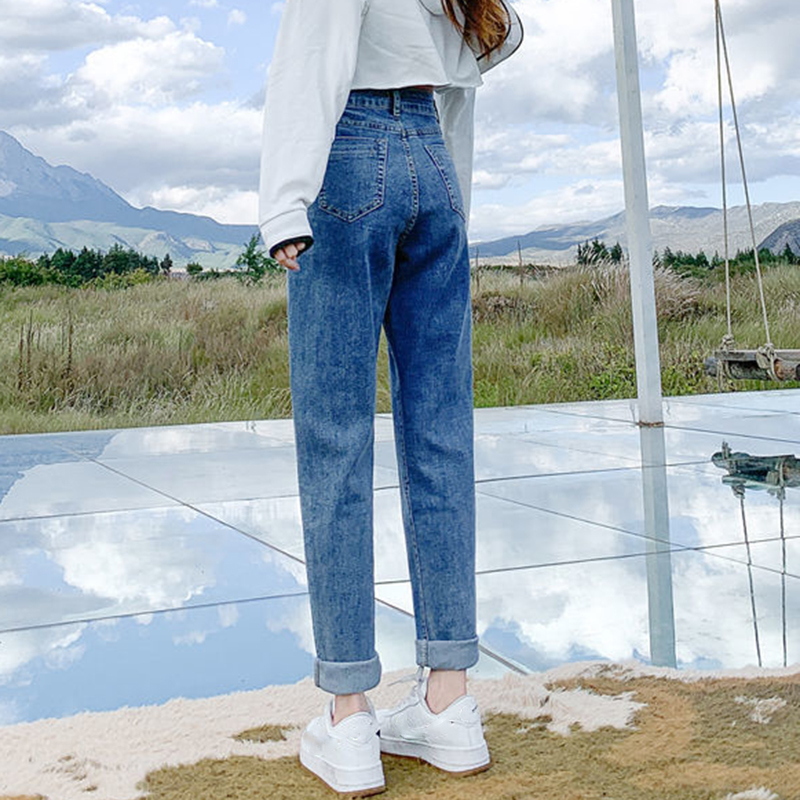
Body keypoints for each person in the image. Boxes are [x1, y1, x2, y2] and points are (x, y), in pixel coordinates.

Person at [259, 0, 523, 794]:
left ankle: (349, 715)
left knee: (336, 439)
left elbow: (312, 51)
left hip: (349, 154)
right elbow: (484, 56)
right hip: (432, 161)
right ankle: (449, 701)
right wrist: (451, 198)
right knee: (441, 433)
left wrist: (284, 200)